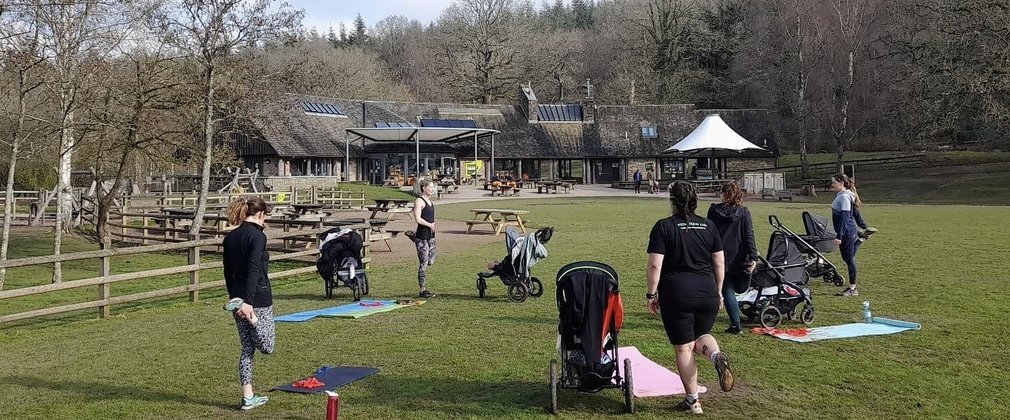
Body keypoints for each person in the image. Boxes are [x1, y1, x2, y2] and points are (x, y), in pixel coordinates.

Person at [646, 181, 734, 415]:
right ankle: (716, 356)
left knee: (684, 348)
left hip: (677, 293)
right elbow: (719, 262)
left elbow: (656, 264)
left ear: (672, 201)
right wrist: (718, 290)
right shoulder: (709, 226)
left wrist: (651, 294)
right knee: (701, 336)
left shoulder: (663, 227)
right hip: (707, 291)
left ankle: (693, 401)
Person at [222, 196, 275, 411]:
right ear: (261, 214)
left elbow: (227, 272)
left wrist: (234, 297)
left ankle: (248, 397)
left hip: (237, 299)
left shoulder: (230, 238)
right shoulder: (258, 237)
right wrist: (249, 304)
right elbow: (254, 268)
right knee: (267, 347)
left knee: (247, 349)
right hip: (257, 299)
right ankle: (254, 321)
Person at [707, 181, 759, 335]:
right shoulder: (744, 213)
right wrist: (753, 256)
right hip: (739, 255)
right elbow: (748, 234)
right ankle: (735, 323)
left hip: (719, 254)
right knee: (732, 287)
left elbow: (709, 233)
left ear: (723, 194)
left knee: (728, 287)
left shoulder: (713, 211)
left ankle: (735, 323)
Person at [830, 173, 869, 296]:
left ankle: (853, 289)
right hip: (849, 231)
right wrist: (864, 226)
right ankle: (861, 239)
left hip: (847, 232)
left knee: (849, 259)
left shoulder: (844, 197)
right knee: (848, 257)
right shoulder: (845, 195)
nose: (832, 185)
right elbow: (855, 213)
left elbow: (845, 218)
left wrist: (839, 236)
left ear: (841, 183)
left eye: (834, 182)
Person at [411, 179, 437, 298]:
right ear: (424, 188)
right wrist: (429, 224)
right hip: (422, 236)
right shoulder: (419, 201)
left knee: (431, 260)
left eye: (433, 187)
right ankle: (422, 289)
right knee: (424, 263)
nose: (432, 189)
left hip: (431, 236)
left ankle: (412, 236)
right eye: (430, 187)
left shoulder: (430, 201)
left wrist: (433, 226)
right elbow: (418, 219)